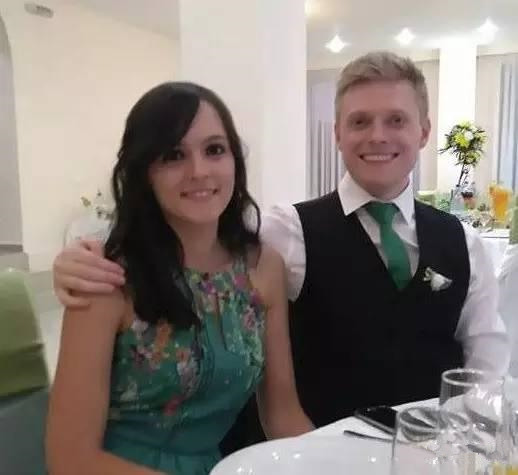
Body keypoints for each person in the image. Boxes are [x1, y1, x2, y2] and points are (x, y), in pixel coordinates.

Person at [52, 51, 510, 436]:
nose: (377, 135)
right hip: (325, 448)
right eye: (359, 121)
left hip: (431, 450)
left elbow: (486, 362)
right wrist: (80, 257)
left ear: (423, 132)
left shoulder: (465, 243)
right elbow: (194, 242)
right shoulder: (285, 231)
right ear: (337, 133)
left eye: (396, 120)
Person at [46, 82, 312, 475]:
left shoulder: (262, 267)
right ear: (144, 172)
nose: (199, 171)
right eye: (173, 155)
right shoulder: (107, 278)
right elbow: (70, 459)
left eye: (214, 150)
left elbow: (282, 416)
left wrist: (332, 461)